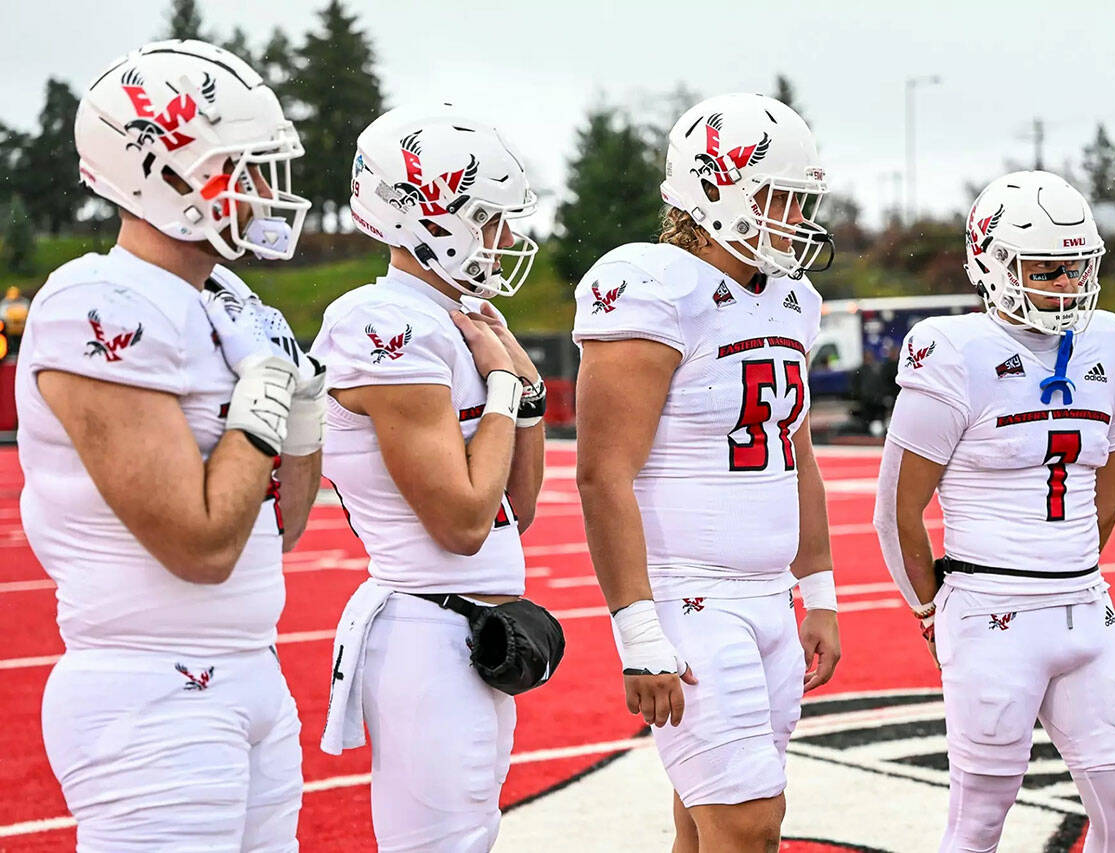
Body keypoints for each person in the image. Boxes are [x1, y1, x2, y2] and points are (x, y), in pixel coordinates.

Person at [16, 39, 322, 850]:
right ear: (166, 169)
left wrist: (304, 407)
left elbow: (282, 525)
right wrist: (262, 388)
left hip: (251, 671)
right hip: (152, 689)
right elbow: (200, 546)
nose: (262, 192)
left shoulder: (227, 299)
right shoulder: (96, 301)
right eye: (243, 168)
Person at [574, 92, 842, 852]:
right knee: (751, 826)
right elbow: (602, 474)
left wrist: (817, 590)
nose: (795, 216)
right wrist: (639, 631)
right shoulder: (655, 285)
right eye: (778, 197)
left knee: (705, 822)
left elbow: (796, 449)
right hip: (689, 595)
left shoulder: (794, 299)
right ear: (713, 189)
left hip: (769, 599)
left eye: (801, 200)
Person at [873, 170, 1115, 852]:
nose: (1065, 284)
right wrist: (930, 607)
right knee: (980, 819)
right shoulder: (954, 351)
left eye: (1077, 266)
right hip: (991, 607)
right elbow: (896, 511)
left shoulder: (1110, 343)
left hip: (1086, 602)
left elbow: (1105, 489)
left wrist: (1068, 569)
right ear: (993, 264)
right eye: (1046, 268)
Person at [315, 105, 556, 853]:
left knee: (471, 836)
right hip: (426, 624)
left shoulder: (462, 316)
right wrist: (506, 396)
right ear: (426, 214)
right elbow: (461, 521)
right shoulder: (383, 322)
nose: (507, 239)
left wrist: (526, 392)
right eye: (488, 219)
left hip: (471, 628)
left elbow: (517, 503)